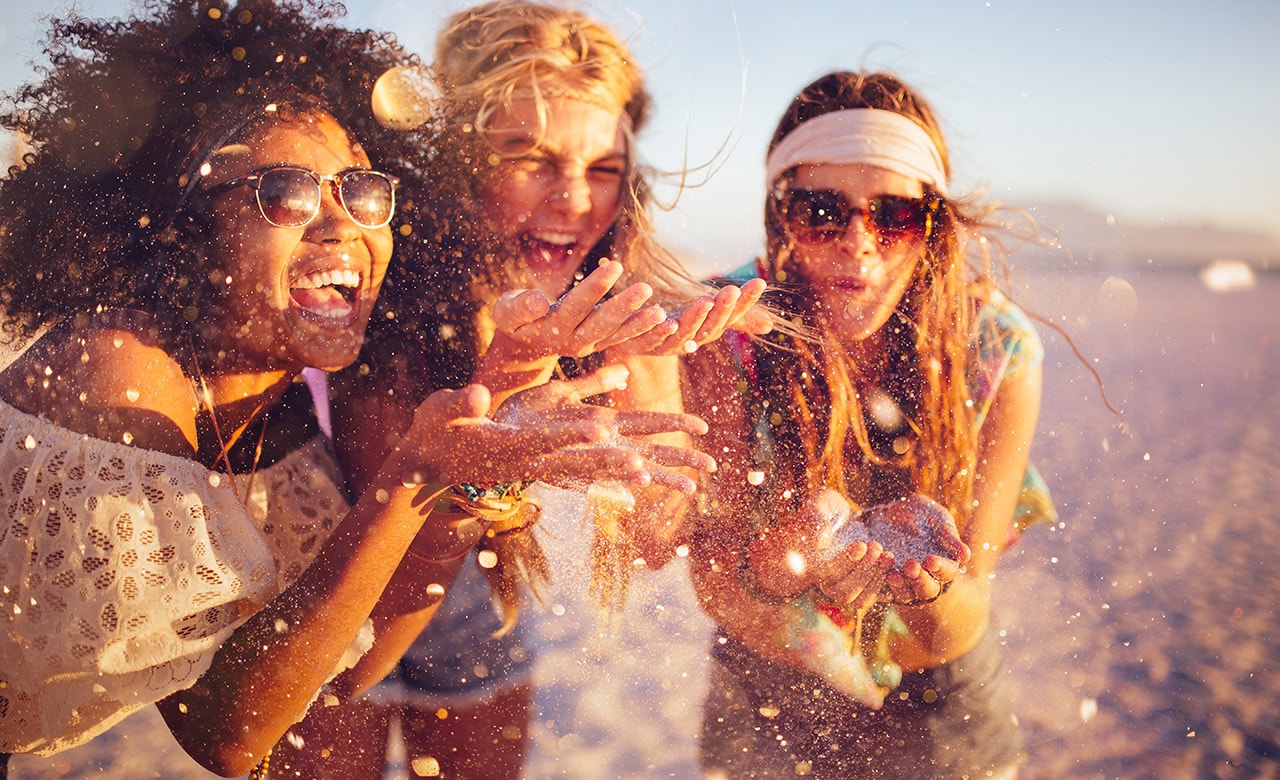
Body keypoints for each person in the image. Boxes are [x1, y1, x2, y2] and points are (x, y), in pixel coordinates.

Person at [0, 2, 715, 777]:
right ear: (182, 222)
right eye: (286, 192)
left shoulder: (268, 407)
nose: (341, 223)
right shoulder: (117, 368)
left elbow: (332, 668)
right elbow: (226, 735)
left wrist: (463, 474)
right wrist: (425, 470)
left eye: (360, 191)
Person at [266, 2, 768, 778]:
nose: (574, 200)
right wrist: (505, 383)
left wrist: (651, 363)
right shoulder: (382, 278)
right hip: (321, 589)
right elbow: (386, 512)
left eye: (603, 170)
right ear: (459, 159)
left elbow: (655, 540)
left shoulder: (602, 294)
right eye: (530, 159)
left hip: (472, 598)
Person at [685, 70, 1058, 779]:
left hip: (941, 707)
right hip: (766, 686)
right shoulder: (728, 328)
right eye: (822, 210)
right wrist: (785, 563)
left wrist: (929, 591)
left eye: (894, 216)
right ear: (779, 216)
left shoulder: (995, 349)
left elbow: (959, 621)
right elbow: (714, 580)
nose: (860, 243)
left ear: (933, 226)